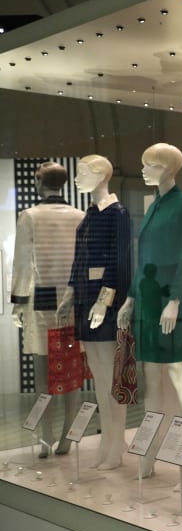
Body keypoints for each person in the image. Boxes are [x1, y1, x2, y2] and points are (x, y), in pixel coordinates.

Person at [117, 143, 182, 491]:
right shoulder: (155, 205)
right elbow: (144, 261)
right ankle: (150, 453)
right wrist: (130, 298)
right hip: (148, 299)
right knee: (151, 378)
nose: (144, 171)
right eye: (144, 165)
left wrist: (174, 300)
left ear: (170, 170)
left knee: (179, 377)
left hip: (174, 301)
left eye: (151, 165)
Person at [57, 155, 132, 469]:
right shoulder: (88, 215)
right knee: (99, 373)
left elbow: (120, 260)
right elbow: (79, 260)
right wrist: (69, 294)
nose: (76, 179)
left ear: (101, 174)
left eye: (82, 173)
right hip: (87, 301)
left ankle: (116, 443)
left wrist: (105, 300)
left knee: (110, 374)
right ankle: (110, 442)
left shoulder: (118, 214)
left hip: (106, 303)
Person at [10, 162, 84, 458]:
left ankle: (45, 436)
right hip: (73, 300)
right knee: (72, 370)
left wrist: (17, 302)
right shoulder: (80, 216)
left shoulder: (29, 216)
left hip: (40, 299)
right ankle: (68, 436)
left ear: (40, 182)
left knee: (43, 372)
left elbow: (24, 262)